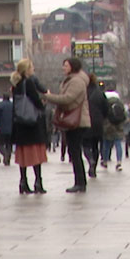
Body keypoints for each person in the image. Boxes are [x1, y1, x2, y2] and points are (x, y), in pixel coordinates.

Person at [44, 57, 90, 193]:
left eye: (66, 65)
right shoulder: (72, 80)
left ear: (72, 67)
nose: (63, 68)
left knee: (75, 152)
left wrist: (49, 96)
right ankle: (80, 181)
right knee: (74, 151)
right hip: (75, 121)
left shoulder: (77, 81)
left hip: (77, 121)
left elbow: (68, 99)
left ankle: (80, 182)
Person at [9, 59, 48, 194]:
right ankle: (38, 182)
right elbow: (36, 101)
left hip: (20, 123)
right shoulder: (29, 82)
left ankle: (23, 182)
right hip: (31, 123)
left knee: (23, 155)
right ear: (26, 70)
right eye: (32, 67)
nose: (33, 69)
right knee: (35, 153)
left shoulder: (16, 85)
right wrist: (42, 105)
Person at [83, 74, 107, 177]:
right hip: (98, 123)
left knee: (85, 145)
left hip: (86, 121)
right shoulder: (100, 93)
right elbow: (106, 108)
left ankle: (90, 160)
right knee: (95, 146)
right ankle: (94, 168)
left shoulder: (83, 92)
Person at [103, 92, 127, 171]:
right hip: (118, 127)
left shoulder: (106, 103)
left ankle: (105, 161)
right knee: (118, 144)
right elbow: (124, 116)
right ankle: (119, 161)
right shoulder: (120, 104)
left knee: (106, 144)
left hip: (108, 127)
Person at [0, 94, 14, 165]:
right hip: (11, 129)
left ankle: (5, 154)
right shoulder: (13, 106)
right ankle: (8, 158)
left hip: (1, 128)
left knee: (0, 144)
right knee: (9, 144)